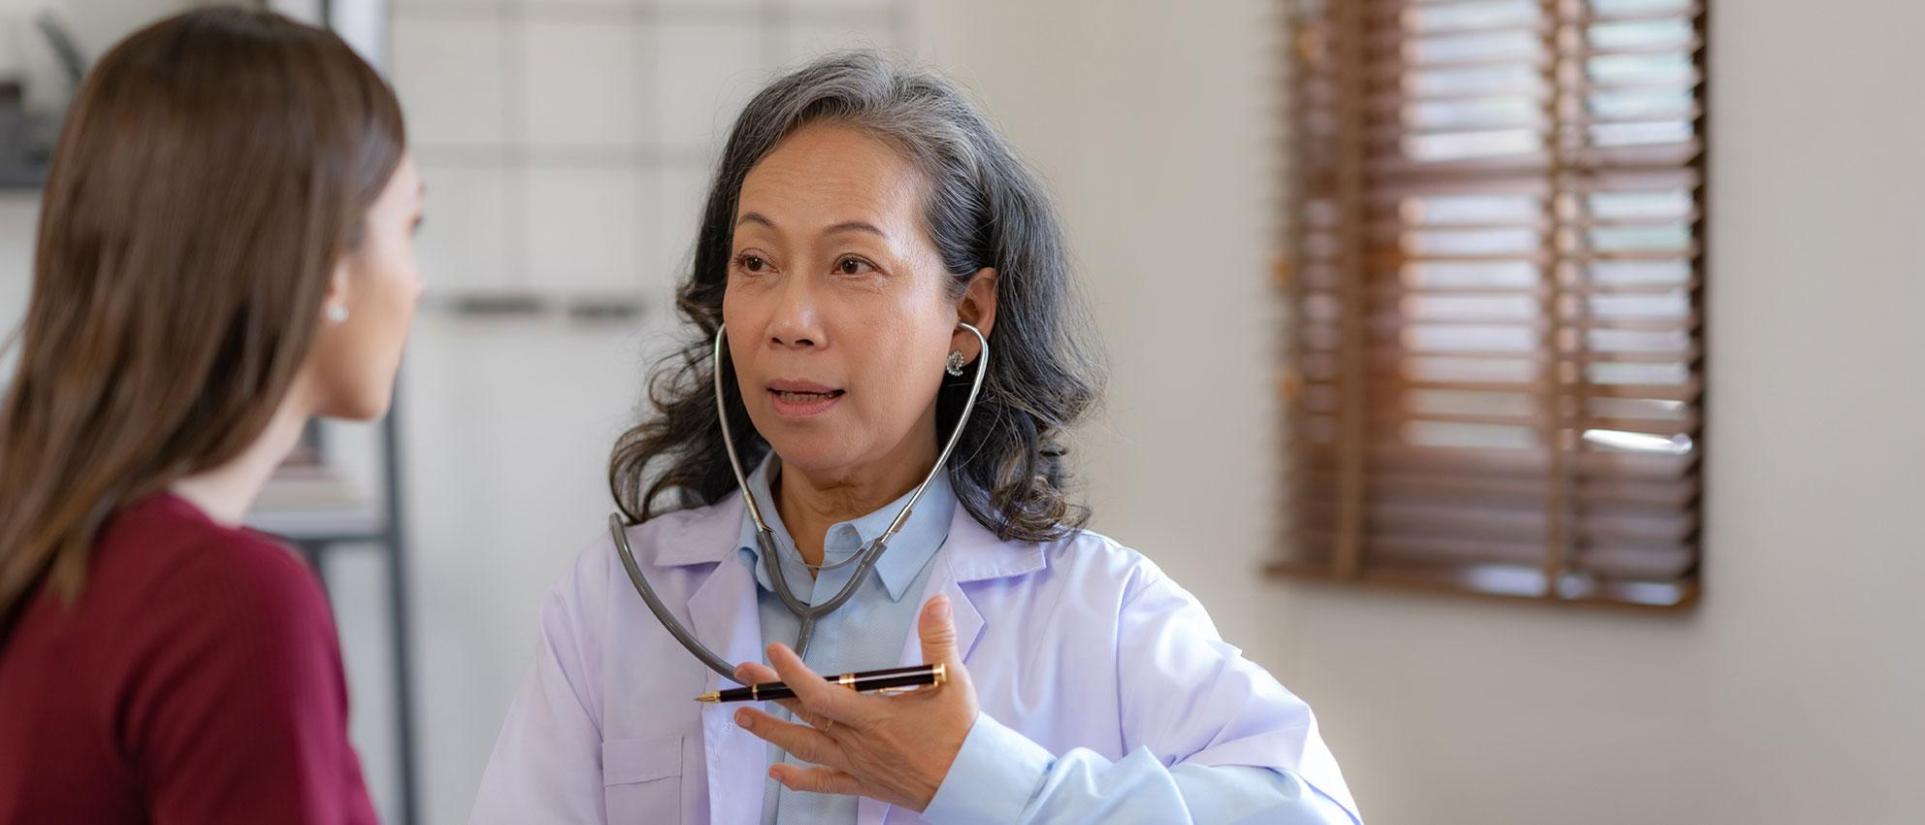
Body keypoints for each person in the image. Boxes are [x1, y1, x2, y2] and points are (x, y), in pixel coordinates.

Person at [473, 53, 1360, 824]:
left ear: (967, 313)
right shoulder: (618, 602)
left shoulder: (1096, 607)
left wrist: (984, 780)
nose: (789, 319)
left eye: (852, 264)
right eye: (756, 262)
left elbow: (1309, 810)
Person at [0, 8, 423, 824]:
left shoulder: (44, 544)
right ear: (329, 266)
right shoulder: (231, 604)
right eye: (408, 226)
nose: (416, 281)